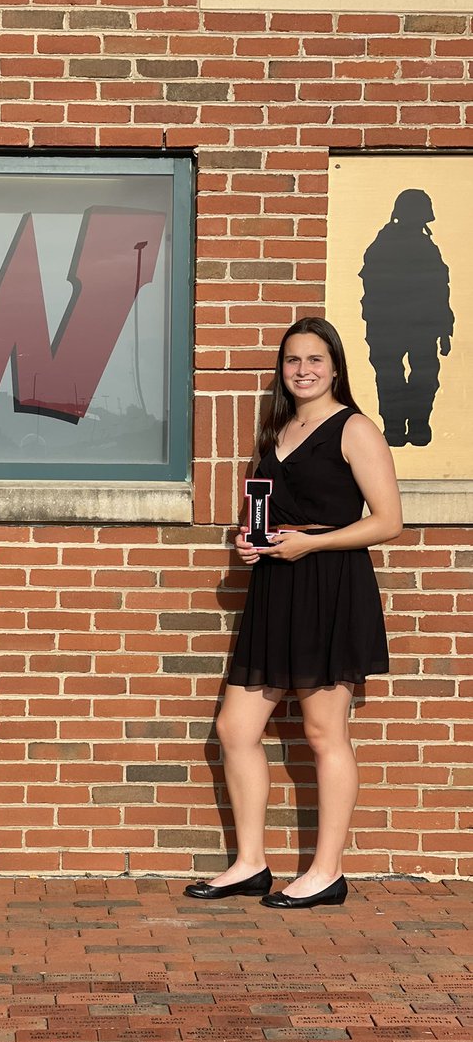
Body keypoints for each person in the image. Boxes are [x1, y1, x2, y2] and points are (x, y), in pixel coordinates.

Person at [185, 317, 402, 909]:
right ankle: (250, 864)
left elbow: (388, 521)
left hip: (329, 583)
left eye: (314, 359)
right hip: (276, 585)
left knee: (323, 731)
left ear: (335, 367)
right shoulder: (276, 429)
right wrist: (249, 542)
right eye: (292, 361)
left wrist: (311, 542)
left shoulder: (354, 428)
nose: (303, 370)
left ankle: (327, 871)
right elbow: (270, 511)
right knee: (236, 728)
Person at [359, 188, 454, 447]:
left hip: (413, 327)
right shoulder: (387, 246)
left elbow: (439, 291)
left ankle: (414, 425)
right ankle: (397, 427)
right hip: (394, 327)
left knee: (418, 374)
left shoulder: (394, 245)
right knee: (394, 375)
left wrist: (445, 329)